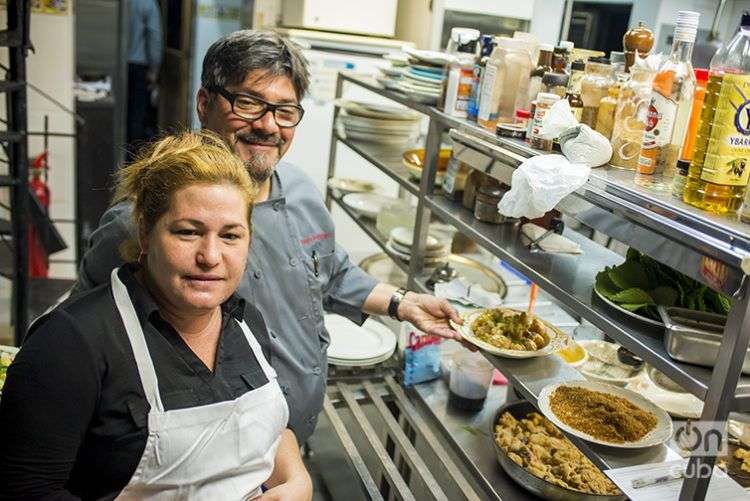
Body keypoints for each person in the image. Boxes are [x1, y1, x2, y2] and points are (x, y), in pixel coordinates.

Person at [73, 30, 463, 445]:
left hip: (294, 436)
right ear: (205, 104)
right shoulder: (142, 221)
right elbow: (79, 340)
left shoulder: (300, 191)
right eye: (248, 103)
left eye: (284, 110)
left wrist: (403, 304)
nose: (267, 125)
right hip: (204, 452)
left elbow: (331, 273)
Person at [0, 132, 312, 500]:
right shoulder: (71, 344)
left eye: (230, 236)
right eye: (188, 232)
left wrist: (297, 480)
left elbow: (270, 428)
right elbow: (23, 489)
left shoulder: (245, 322)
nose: (210, 256)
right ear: (146, 233)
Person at [126, 0, 163, 156]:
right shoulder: (147, 3)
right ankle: (132, 160)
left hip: (117, 66)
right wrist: (154, 70)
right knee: (137, 117)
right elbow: (154, 37)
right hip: (138, 67)